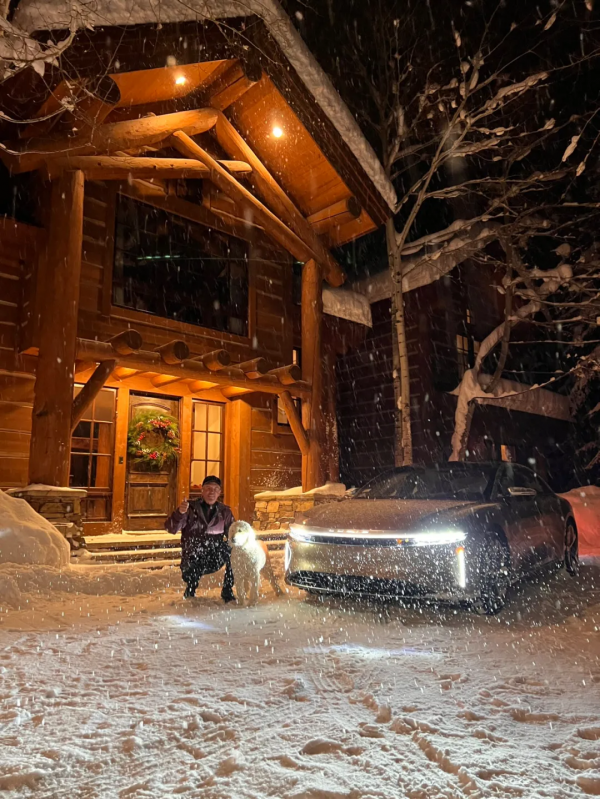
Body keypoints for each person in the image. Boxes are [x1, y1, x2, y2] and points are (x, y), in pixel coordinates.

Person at [165, 475, 235, 602]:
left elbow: (233, 533)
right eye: (208, 488)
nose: (211, 492)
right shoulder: (189, 508)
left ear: (219, 492)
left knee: (234, 551)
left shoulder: (225, 512)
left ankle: (227, 591)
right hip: (193, 556)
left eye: (215, 489)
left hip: (214, 556)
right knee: (192, 564)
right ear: (202, 491)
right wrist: (180, 514)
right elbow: (171, 528)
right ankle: (190, 590)